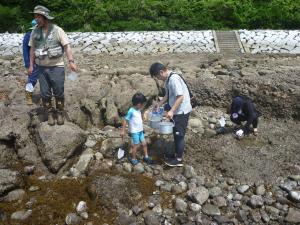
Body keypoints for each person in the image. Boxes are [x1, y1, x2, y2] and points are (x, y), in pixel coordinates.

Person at [28, 5, 77, 126]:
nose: (36, 19)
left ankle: (59, 113)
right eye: (35, 16)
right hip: (41, 68)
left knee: (59, 91)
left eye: (38, 16)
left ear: (45, 17)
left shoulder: (58, 30)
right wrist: (31, 65)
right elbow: (32, 49)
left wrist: (71, 62)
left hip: (57, 67)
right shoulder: (34, 31)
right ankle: (49, 113)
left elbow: (67, 47)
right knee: (45, 93)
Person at [149, 62, 192, 167]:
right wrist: (159, 104)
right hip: (176, 109)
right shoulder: (168, 79)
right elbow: (167, 95)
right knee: (175, 132)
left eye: (158, 77)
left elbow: (180, 97)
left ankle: (178, 159)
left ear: (161, 72)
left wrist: (171, 111)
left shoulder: (174, 79)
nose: (159, 79)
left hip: (182, 111)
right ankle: (176, 153)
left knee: (179, 135)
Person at [121, 93, 153, 165]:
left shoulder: (138, 110)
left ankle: (146, 156)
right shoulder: (131, 111)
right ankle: (133, 159)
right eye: (142, 104)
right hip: (135, 132)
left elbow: (138, 118)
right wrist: (123, 130)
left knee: (144, 144)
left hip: (140, 131)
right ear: (138, 104)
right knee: (136, 145)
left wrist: (143, 118)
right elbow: (125, 120)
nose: (143, 106)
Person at [23, 19, 39, 105]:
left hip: (43, 61)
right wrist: (28, 64)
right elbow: (25, 51)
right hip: (32, 62)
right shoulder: (28, 35)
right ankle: (28, 95)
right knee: (32, 79)